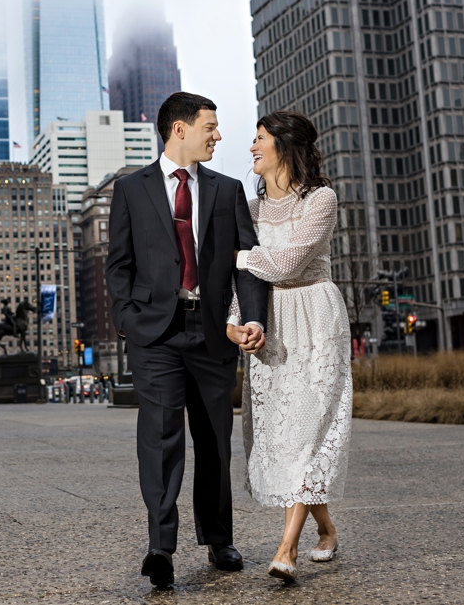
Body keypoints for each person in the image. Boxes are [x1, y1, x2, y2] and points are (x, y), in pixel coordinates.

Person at [105, 92, 268, 588]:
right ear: (180, 129)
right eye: (210, 127)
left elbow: (247, 263)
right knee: (160, 438)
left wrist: (254, 318)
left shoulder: (227, 190)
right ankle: (161, 547)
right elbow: (118, 266)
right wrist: (129, 322)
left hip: (213, 331)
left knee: (215, 441)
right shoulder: (131, 189)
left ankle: (220, 539)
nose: (218, 135)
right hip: (155, 334)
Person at [231, 110, 352, 584]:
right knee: (284, 435)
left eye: (259, 139)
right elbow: (246, 281)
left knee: (306, 431)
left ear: (284, 145)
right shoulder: (253, 209)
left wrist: (237, 255)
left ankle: (287, 550)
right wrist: (236, 322)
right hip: (271, 325)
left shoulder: (321, 199)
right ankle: (326, 528)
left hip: (315, 318)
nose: (252, 147)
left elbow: (287, 262)